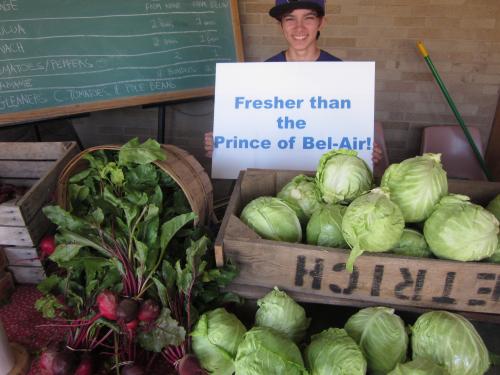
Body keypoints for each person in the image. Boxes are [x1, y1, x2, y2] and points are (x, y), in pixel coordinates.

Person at [204, 0, 383, 167]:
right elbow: (251, 129)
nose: (299, 27)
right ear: (280, 25)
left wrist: (365, 151)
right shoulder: (262, 74)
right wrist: (225, 144)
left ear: (321, 23)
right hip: (275, 175)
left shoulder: (343, 75)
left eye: (309, 18)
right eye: (290, 19)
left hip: (323, 181)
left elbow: (349, 128)